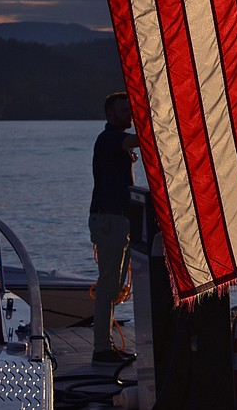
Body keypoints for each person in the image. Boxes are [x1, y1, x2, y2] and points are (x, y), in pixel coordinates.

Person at [89, 91, 140, 365]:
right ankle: (101, 349)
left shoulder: (117, 143)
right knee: (109, 287)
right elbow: (134, 140)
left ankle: (105, 346)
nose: (129, 116)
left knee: (114, 286)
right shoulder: (109, 138)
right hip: (109, 219)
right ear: (110, 115)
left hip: (116, 219)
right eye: (124, 111)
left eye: (130, 111)